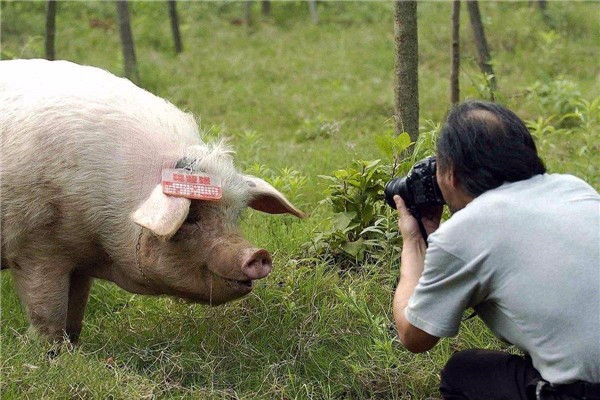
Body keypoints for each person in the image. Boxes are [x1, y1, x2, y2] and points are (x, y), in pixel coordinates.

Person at [391, 100, 600, 400]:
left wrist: (413, 242)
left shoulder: (464, 232)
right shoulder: (574, 188)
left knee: (462, 373)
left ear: (451, 175)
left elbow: (414, 336)